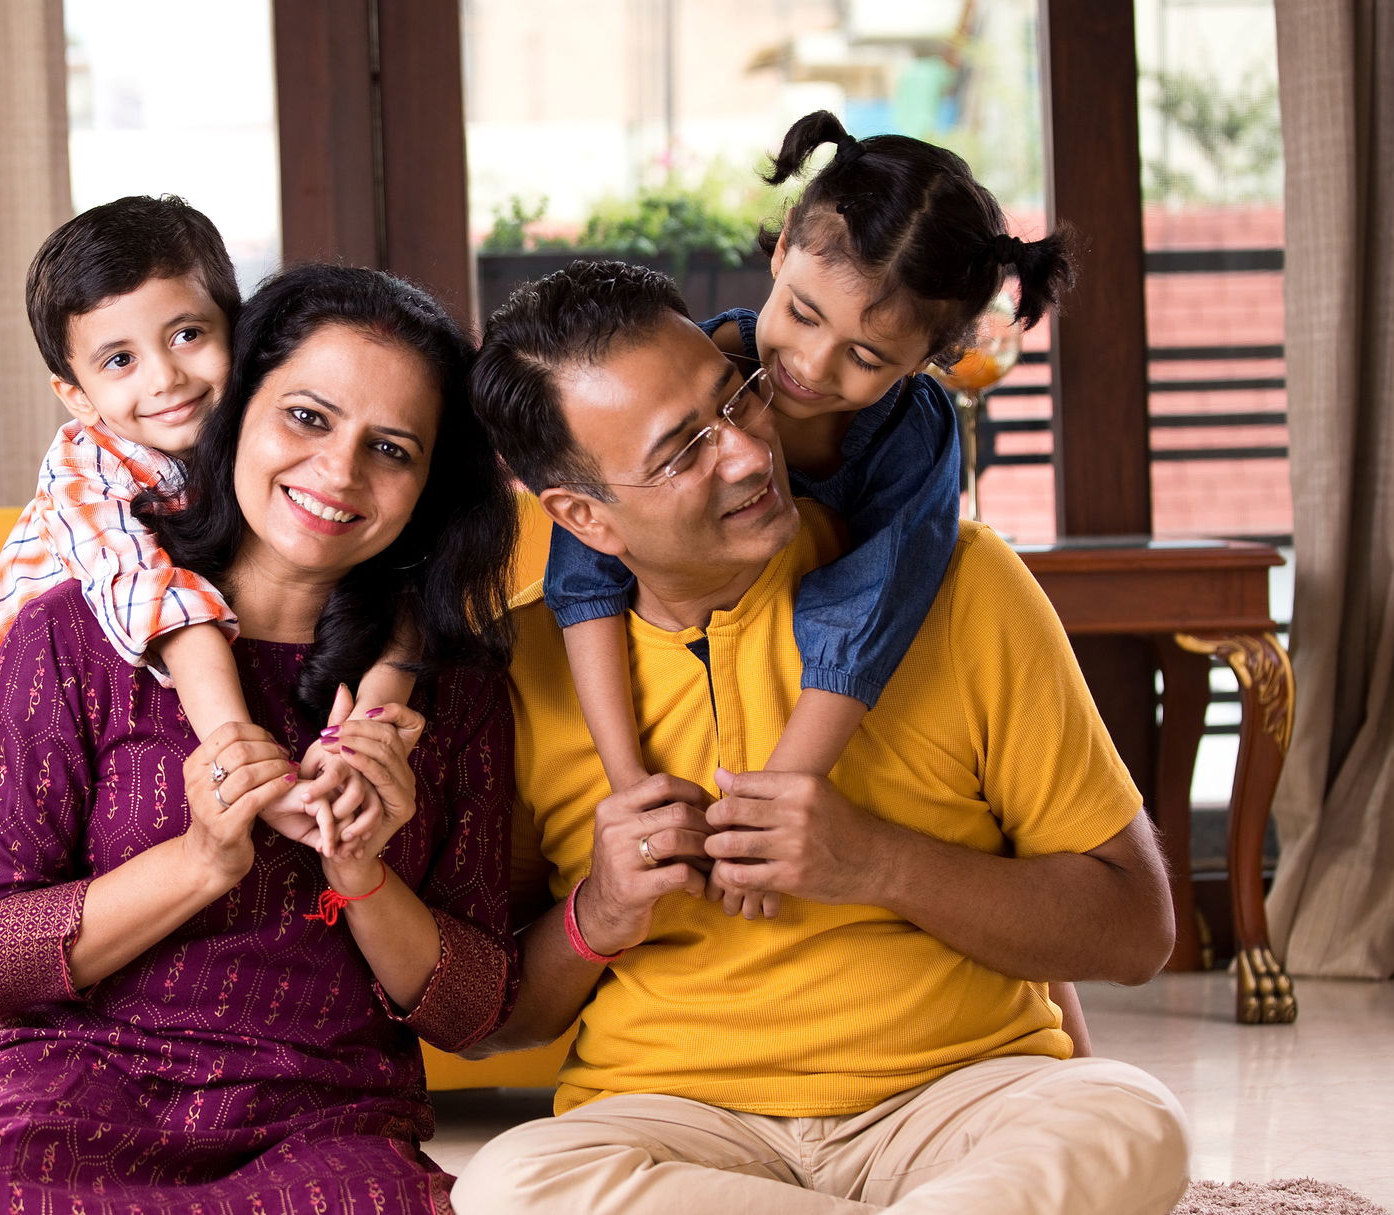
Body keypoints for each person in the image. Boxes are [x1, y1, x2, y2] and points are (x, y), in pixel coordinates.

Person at [0, 265, 521, 1215]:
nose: (340, 472)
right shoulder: (70, 636)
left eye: (390, 448)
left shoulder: (455, 687)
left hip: (322, 1125)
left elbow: (472, 1010)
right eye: (308, 418)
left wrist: (364, 874)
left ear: (428, 484)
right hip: (66, 1099)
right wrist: (200, 858)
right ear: (235, 410)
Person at [451, 257, 1190, 1215]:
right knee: (512, 1186)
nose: (751, 454)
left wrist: (878, 862)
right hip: (674, 1119)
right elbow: (497, 1020)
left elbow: (1138, 928)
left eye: (738, 399)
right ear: (584, 518)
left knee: (1129, 1116)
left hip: (959, 1097)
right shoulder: (528, 671)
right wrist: (603, 907)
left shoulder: (965, 585)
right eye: (682, 452)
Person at [0, 196, 414, 850]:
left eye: (187, 335)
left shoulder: (251, 431)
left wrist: (364, 730)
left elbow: (404, 582)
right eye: (120, 360)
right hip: (76, 677)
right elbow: (163, 607)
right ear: (75, 395)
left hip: (195, 643)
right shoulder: (86, 464)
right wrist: (258, 783)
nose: (167, 378)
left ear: (235, 329)